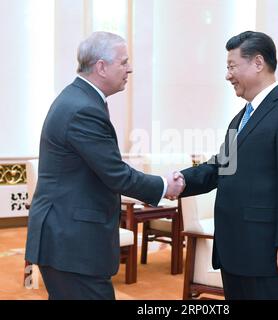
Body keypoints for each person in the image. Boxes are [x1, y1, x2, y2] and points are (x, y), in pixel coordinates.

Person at [25, 31, 184, 300]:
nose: (130, 69)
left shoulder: (80, 99)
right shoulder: (83, 109)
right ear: (101, 66)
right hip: (70, 241)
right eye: (124, 62)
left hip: (67, 238)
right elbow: (116, 174)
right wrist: (163, 185)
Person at [175, 31, 278, 299]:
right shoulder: (240, 119)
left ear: (257, 63)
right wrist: (178, 181)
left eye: (232, 67)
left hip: (272, 256)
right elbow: (221, 167)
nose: (228, 75)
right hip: (236, 252)